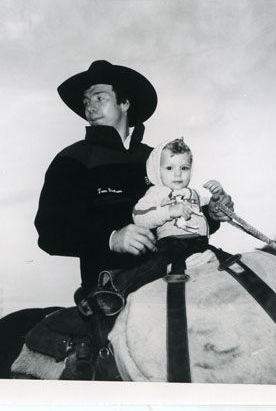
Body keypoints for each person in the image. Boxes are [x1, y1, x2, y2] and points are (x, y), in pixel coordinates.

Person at [34, 60, 234, 380]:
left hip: (177, 277)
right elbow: (49, 232)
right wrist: (111, 238)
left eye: (99, 97)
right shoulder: (71, 160)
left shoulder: (157, 160)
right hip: (112, 293)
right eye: (86, 101)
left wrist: (213, 214)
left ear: (125, 103)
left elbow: (180, 213)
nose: (89, 106)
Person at [84, 137, 230, 316]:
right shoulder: (155, 192)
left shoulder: (195, 194)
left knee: (227, 260)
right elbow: (139, 216)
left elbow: (212, 208)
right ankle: (111, 291)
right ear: (157, 171)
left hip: (200, 244)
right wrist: (169, 212)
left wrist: (219, 196)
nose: (178, 174)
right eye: (169, 168)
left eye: (184, 168)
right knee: (152, 269)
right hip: (171, 245)